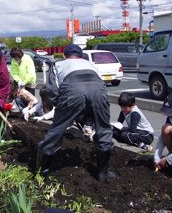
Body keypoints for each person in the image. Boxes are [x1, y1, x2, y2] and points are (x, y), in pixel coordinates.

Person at [37, 44, 115, 181]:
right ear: (81, 56)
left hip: (72, 89)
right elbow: (96, 88)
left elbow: (53, 91)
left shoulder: (58, 65)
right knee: (104, 129)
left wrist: (63, 109)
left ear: (64, 56)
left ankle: (43, 172)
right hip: (99, 90)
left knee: (57, 130)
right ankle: (103, 173)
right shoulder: (89, 64)